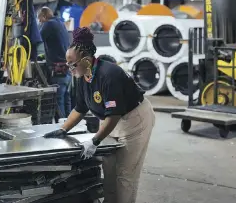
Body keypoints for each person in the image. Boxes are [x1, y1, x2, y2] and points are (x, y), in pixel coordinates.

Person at [44, 27, 156, 203]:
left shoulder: (109, 75)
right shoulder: (83, 77)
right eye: (68, 64)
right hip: (112, 122)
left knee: (125, 175)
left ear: (87, 60)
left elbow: (114, 114)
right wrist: (63, 129)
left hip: (134, 121)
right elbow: (80, 108)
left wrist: (95, 141)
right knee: (109, 170)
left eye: (72, 63)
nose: (70, 68)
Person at [38, 7, 72, 119]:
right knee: (66, 99)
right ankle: (70, 124)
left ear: (44, 16)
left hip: (58, 70)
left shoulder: (49, 24)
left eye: (40, 20)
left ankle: (62, 128)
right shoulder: (60, 23)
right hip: (67, 68)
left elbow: (37, 39)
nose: (40, 23)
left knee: (58, 100)